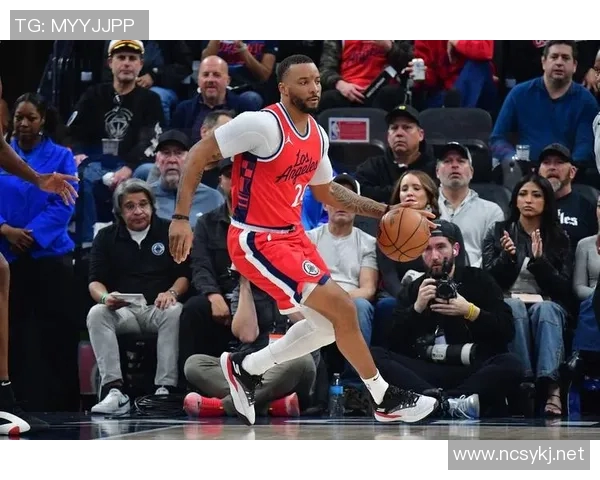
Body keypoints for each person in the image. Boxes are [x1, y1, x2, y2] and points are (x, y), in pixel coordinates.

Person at [168, 54, 439, 425]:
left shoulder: (317, 135)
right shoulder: (261, 125)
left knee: (327, 328)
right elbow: (198, 155)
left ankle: (247, 368)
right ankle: (384, 397)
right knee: (344, 309)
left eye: (316, 81)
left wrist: (386, 210)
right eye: (304, 82)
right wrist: (181, 218)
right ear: (283, 87)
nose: (314, 89)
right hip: (256, 238)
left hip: (292, 236)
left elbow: (328, 192)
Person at [0, 78, 78, 436]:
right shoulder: (5, 150)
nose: (23, 123)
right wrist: (6, 230)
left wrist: (29, 235)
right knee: (13, 333)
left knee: (54, 334)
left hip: (49, 254)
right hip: (7, 250)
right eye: (18, 117)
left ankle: (60, 404)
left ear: (43, 120)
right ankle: (13, 398)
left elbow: (65, 202)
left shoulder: (61, 155)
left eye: (30, 117)